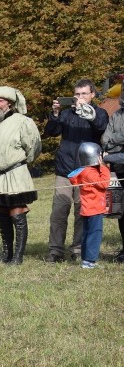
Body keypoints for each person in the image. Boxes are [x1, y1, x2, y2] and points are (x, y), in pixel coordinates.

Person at [43, 79, 109, 262]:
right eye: (77, 94)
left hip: (88, 172)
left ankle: (78, 249)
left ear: (93, 95)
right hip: (65, 170)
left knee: (83, 212)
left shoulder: (100, 113)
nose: (80, 98)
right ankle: (55, 251)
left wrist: (90, 114)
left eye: (84, 94)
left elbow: (102, 126)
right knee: (59, 212)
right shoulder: (66, 114)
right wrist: (55, 114)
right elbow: (51, 132)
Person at [0, 86, 42, 265]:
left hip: (15, 174)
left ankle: (18, 257)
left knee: (17, 213)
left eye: (1, 101)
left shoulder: (23, 122)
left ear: (10, 103)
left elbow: (34, 148)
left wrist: (19, 163)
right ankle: (7, 253)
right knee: (1, 214)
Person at [68, 143, 110, 269]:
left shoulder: (84, 171)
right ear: (95, 157)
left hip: (88, 208)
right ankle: (90, 261)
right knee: (94, 234)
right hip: (93, 209)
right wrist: (103, 167)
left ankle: (86, 260)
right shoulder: (90, 173)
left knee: (87, 233)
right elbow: (104, 184)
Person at [101, 88, 124, 262]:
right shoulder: (116, 115)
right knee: (122, 213)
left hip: (116, 159)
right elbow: (104, 141)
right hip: (120, 169)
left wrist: (114, 141)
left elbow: (111, 141)